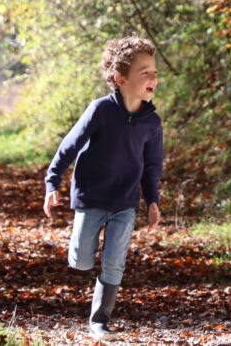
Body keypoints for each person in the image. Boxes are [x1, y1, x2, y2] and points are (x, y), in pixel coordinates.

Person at [43, 37, 163, 341]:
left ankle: (100, 320)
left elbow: (152, 165)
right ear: (121, 80)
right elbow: (70, 146)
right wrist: (52, 182)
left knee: (114, 260)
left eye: (155, 72)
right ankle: (81, 252)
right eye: (145, 72)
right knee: (82, 261)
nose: (153, 78)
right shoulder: (100, 110)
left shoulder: (152, 122)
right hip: (91, 196)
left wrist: (151, 200)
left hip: (125, 201)